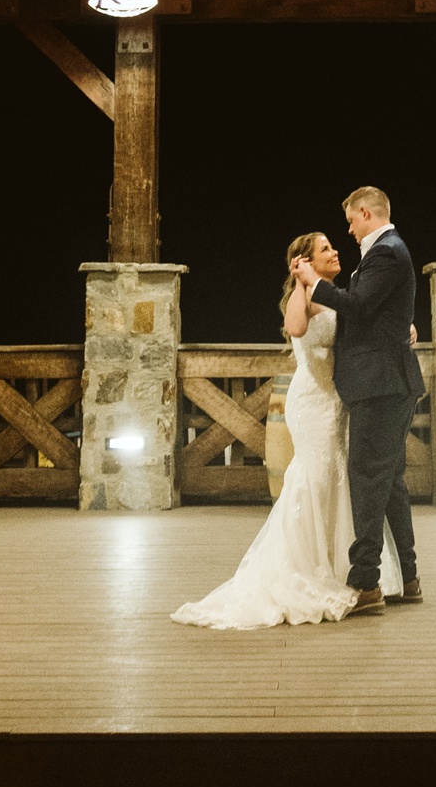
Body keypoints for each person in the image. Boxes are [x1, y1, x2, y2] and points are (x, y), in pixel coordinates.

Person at [170, 230, 404, 630]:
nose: (334, 251)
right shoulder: (309, 295)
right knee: (315, 476)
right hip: (313, 402)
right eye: (325, 249)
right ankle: (308, 567)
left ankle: (348, 567)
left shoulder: (335, 292)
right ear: (306, 261)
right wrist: (302, 282)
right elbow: (295, 328)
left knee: (339, 477)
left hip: (338, 400)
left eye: (332, 246)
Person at [293, 185, 425, 616]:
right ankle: (407, 577)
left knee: (368, 479)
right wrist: (401, 327)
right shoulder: (387, 252)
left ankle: (365, 581)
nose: (347, 230)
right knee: (388, 484)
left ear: (365, 213)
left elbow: (363, 306)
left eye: (350, 221)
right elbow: (374, 314)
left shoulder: (386, 251)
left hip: (380, 386)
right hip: (383, 382)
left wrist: (314, 283)